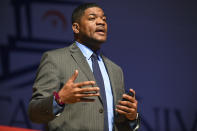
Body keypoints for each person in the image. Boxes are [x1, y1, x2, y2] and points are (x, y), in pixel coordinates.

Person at [28, 3, 140, 131]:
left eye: (104, 19)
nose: (101, 22)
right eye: (92, 18)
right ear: (76, 28)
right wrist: (59, 99)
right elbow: (34, 112)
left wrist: (132, 117)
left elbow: (121, 124)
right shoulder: (55, 59)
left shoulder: (116, 70)